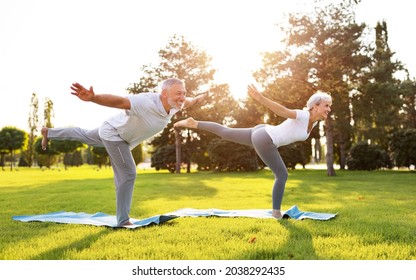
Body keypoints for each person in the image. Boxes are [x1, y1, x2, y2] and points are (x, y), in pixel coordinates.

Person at [41, 78, 205, 227]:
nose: (182, 97)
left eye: (183, 93)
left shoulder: (175, 105)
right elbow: (118, 101)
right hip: (115, 135)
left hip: (116, 130)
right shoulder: (145, 102)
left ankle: (49, 132)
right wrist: (93, 97)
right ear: (164, 93)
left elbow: (189, 101)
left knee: (84, 135)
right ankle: (123, 220)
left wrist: (198, 98)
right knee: (128, 173)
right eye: (178, 93)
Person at [174, 84, 332, 219]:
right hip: (265, 138)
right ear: (315, 106)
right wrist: (261, 98)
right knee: (282, 174)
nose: (329, 109)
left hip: (262, 131)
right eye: (326, 105)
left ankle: (194, 123)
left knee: (226, 132)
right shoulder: (304, 115)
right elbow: (282, 111)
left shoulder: (313, 122)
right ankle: (276, 212)